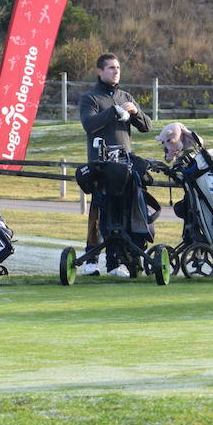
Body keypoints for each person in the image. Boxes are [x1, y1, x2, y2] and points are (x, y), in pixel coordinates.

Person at [78, 53, 152, 277]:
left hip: (124, 165)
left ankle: (115, 262)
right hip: (100, 165)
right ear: (100, 71)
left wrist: (135, 112)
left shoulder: (125, 95)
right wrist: (113, 112)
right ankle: (92, 260)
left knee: (120, 214)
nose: (116, 71)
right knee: (100, 212)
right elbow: (89, 124)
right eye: (111, 68)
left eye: (118, 67)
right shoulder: (91, 98)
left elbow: (147, 126)